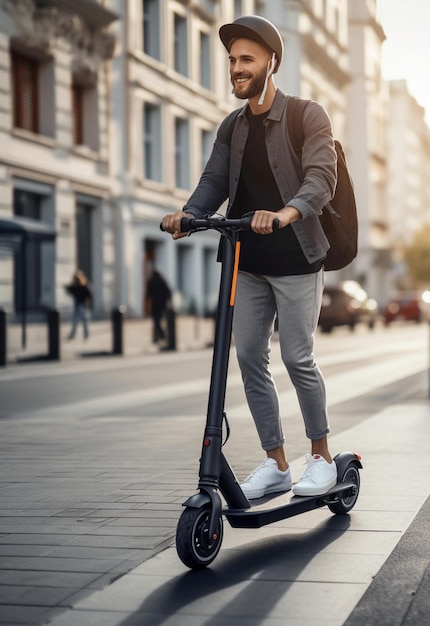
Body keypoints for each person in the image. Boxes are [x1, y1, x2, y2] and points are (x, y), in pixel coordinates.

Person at [161, 15, 338, 499]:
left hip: (297, 257)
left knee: (297, 358)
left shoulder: (307, 115)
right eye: (233, 60)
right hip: (247, 258)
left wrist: (285, 213)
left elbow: (322, 179)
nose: (237, 68)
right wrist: (189, 214)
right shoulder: (232, 126)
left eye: (247, 60)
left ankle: (320, 457)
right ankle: (277, 462)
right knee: (248, 358)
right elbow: (214, 181)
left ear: (271, 62)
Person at [146, 268, 172, 344]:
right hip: (162, 304)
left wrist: (147, 302)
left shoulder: (151, 281)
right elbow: (168, 292)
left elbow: (148, 294)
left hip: (155, 304)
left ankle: (158, 336)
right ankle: (161, 336)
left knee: (156, 321)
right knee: (158, 321)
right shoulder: (162, 281)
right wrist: (170, 302)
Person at [66, 269, 92, 340]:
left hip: (82, 306)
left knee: (83, 321)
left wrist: (89, 306)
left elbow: (89, 296)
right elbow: (69, 290)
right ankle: (75, 334)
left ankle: (85, 335)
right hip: (77, 305)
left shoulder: (83, 287)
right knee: (76, 321)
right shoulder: (76, 287)